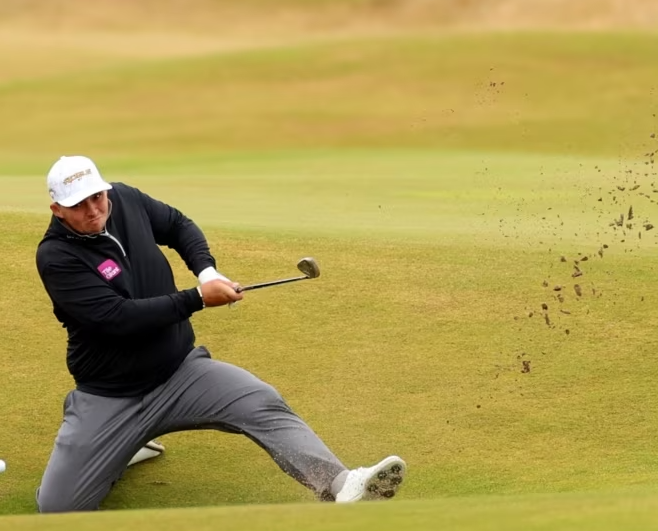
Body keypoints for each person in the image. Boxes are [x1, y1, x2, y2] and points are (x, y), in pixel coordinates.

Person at [34, 155, 407, 512]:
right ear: (58, 210)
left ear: (105, 191)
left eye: (97, 197)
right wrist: (197, 297)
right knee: (58, 506)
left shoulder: (125, 199)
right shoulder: (56, 257)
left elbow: (178, 225)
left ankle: (342, 484)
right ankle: (123, 442)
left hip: (180, 373)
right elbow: (117, 318)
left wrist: (206, 272)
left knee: (261, 401)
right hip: (111, 396)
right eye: (79, 204)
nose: (93, 210)